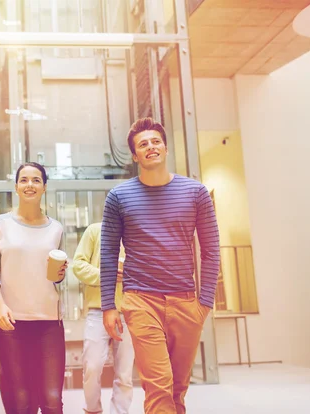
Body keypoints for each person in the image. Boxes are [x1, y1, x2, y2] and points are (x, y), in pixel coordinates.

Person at [100, 117, 220, 414]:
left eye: (155, 142)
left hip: (186, 301)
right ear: (135, 155)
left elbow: (211, 249)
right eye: (143, 144)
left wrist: (204, 302)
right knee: (159, 384)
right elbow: (108, 252)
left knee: (178, 388)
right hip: (141, 301)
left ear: (165, 148)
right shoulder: (119, 197)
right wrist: (108, 306)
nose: (150, 147)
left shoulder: (196, 193)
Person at [0, 162, 67, 414]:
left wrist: (61, 275)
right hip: (11, 323)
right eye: (24, 180)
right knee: (20, 401)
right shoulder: (0, 224)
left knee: (52, 399)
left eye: (35, 180)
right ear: (16, 187)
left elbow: (57, 277)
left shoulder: (56, 228)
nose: (29, 185)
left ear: (44, 187)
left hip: (49, 322)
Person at [73, 222, 135, 414]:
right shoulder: (94, 230)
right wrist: (104, 275)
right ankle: (93, 410)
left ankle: (120, 411)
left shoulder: (137, 231)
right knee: (92, 366)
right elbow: (78, 265)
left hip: (129, 311)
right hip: (97, 310)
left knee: (124, 374)